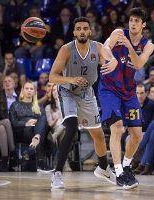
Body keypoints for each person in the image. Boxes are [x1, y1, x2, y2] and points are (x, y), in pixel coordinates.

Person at [49, 16, 118, 189]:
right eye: (78, 28)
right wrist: (71, 79)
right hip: (67, 92)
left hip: (87, 94)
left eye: (85, 28)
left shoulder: (98, 47)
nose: (82, 31)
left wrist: (114, 62)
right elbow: (52, 77)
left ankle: (103, 168)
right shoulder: (66, 50)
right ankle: (57, 173)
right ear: (74, 32)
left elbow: (110, 59)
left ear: (90, 31)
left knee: (99, 135)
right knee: (71, 127)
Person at [99, 8, 154, 189]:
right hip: (109, 88)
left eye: (137, 21)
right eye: (131, 20)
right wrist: (110, 58)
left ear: (143, 24)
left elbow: (138, 64)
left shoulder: (148, 45)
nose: (133, 23)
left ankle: (127, 165)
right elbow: (104, 47)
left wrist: (130, 47)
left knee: (137, 135)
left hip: (129, 91)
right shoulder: (118, 33)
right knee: (117, 127)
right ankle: (118, 171)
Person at [9, 81, 50, 173]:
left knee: (42, 118)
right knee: (35, 128)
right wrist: (25, 123)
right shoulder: (15, 105)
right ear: (22, 90)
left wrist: (35, 126)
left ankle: (36, 137)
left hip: (35, 131)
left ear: (34, 92)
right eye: (27, 88)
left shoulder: (38, 106)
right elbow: (13, 122)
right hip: (21, 132)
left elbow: (43, 122)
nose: (29, 90)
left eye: (31, 89)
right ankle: (40, 162)